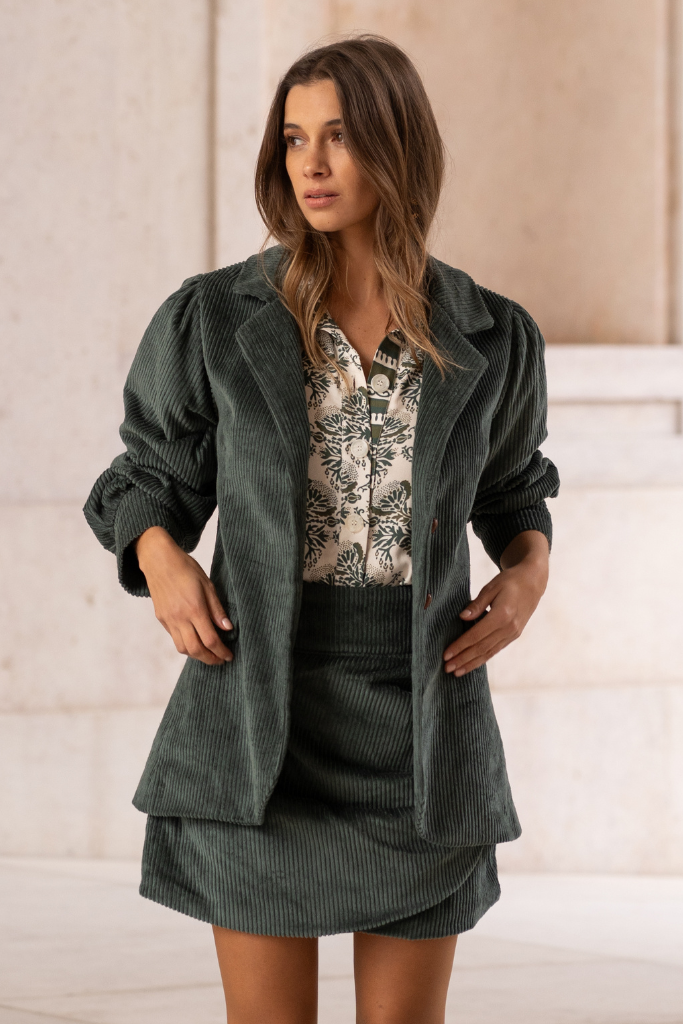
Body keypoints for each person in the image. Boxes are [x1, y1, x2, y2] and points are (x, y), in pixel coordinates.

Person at [84, 33, 559, 1024]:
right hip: (258, 715)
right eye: (295, 138)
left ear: (398, 145)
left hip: (420, 726)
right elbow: (146, 480)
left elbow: (515, 492)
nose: (311, 162)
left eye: (338, 136)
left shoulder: (490, 334)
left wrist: (525, 575)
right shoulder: (216, 319)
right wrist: (161, 557)